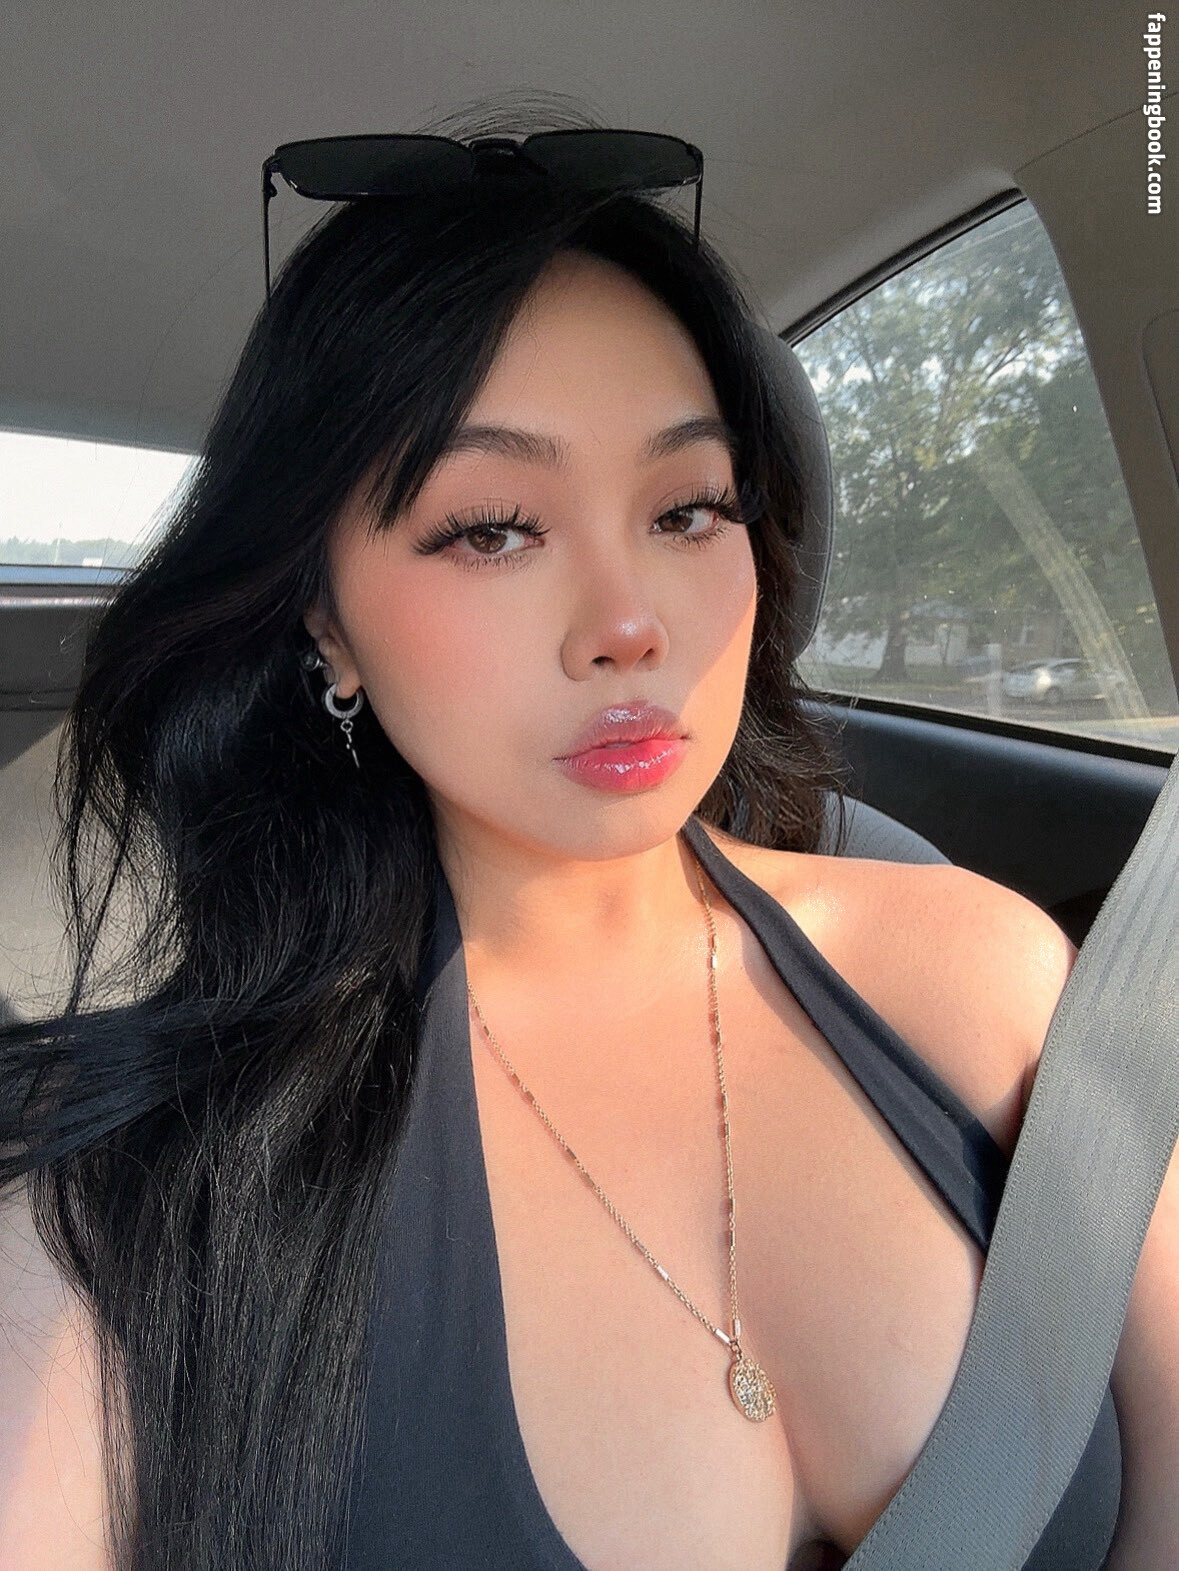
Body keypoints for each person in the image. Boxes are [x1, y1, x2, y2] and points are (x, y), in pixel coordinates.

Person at [0, 103, 1122, 1571]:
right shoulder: (142, 1193)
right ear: (324, 619)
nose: (629, 623)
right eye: (493, 528)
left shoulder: (990, 982)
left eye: (690, 507)